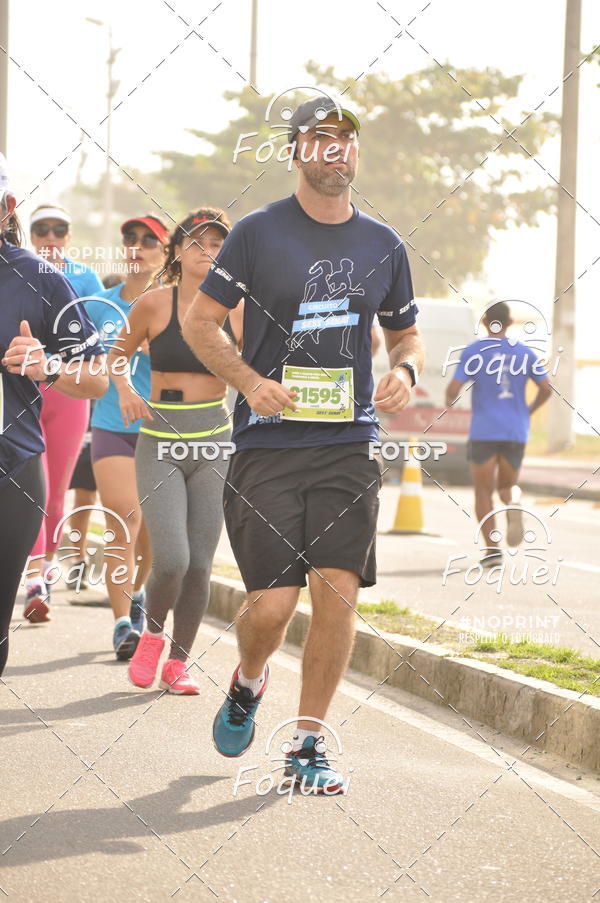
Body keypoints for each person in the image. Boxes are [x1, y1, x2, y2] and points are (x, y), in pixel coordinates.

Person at [183, 97, 424, 790]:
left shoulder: (383, 242)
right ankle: (250, 678)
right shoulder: (257, 234)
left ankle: (307, 745)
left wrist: (404, 368)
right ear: (296, 152)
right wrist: (250, 380)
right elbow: (203, 324)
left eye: (347, 139)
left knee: (337, 592)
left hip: (349, 441)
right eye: (321, 139)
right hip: (267, 444)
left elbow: (406, 331)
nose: (337, 150)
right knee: (272, 606)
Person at [107, 208, 243, 694]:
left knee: (202, 565)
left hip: (215, 441)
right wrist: (124, 390)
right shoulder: (154, 304)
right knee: (172, 560)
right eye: (198, 244)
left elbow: (262, 363)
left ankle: (178, 663)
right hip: (160, 440)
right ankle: (150, 637)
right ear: (178, 251)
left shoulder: (237, 308)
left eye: (218, 246)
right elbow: (117, 358)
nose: (208, 253)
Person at [0, 156, 107, 674]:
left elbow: (98, 378)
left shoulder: (40, 280)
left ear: (7, 207)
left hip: (12, 469)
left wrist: (48, 365)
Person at [85, 215, 168, 660]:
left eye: (148, 241)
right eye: (130, 240)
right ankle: (121, 624)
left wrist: (167, 350)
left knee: (156, 532)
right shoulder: (98, 306)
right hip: (112, 425)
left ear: (163, 251)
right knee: (123, 518)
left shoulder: (178, 305)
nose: (137, 247)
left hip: (163, 430)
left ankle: (136, 597)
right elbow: (79, 360)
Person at [23, 204, 105, 621]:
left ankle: (44, 573)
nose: (51, 236)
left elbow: (105, 331)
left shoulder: (85, 277)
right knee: (29, 483)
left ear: (69, 236)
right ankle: (35, 575)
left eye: (60, 229)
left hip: (70, 392)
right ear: (30, 232)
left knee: (56, 490)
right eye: (42, 229)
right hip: (22, 390)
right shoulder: (14, 270)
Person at [445, 301, 552, 566]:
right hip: (515, 430)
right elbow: (547, 388)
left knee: (483, 491)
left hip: (484, 430)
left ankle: (492, 550)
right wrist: (528, 410)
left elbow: (454, 387)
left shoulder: (474, 351)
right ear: (510, 323)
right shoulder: (525, 352)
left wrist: (450, 403)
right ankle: (513, 501)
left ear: (484, 322)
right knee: (507, 485)